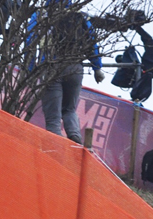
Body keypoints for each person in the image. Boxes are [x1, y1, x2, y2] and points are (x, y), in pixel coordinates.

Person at [26, 0, 105, 144]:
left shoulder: (42, 15)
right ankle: (76, 141)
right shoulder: (80, 16)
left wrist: (30, 69)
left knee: (53, 120)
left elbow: (30, 41)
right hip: (75, 67)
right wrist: (97, 68)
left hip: (51, 67)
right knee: (69, 110)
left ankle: (57, 152)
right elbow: (92, 42)